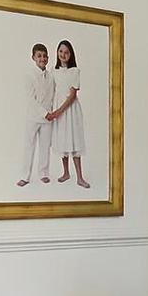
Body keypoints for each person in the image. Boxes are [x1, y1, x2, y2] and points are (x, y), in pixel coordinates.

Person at [48, 40, 90, 188]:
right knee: (62, 140)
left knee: (74, 140)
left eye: (66, 52)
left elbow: (72, 96)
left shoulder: (75, 71)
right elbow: (51, 90)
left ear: (70, 54)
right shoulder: (53, 71)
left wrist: (59, 111)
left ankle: (80, 177)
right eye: (61, 51)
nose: (63, 54)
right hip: (57, 109)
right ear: (57, 53)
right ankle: (66, 173)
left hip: (70, 110)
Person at [17, 43, 57, 187]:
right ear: (33, 57)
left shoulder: (51, 75)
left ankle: (44, 173)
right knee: (29, 146)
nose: (42, 58)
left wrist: (51, 112)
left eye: (45, 56)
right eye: (39, 56)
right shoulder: (29, 75)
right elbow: (30, 99)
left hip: (48, 118)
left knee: (45, 146)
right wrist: (44, 113)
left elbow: (53, 95)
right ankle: (25, 176)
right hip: (33, 117)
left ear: (48, 58)